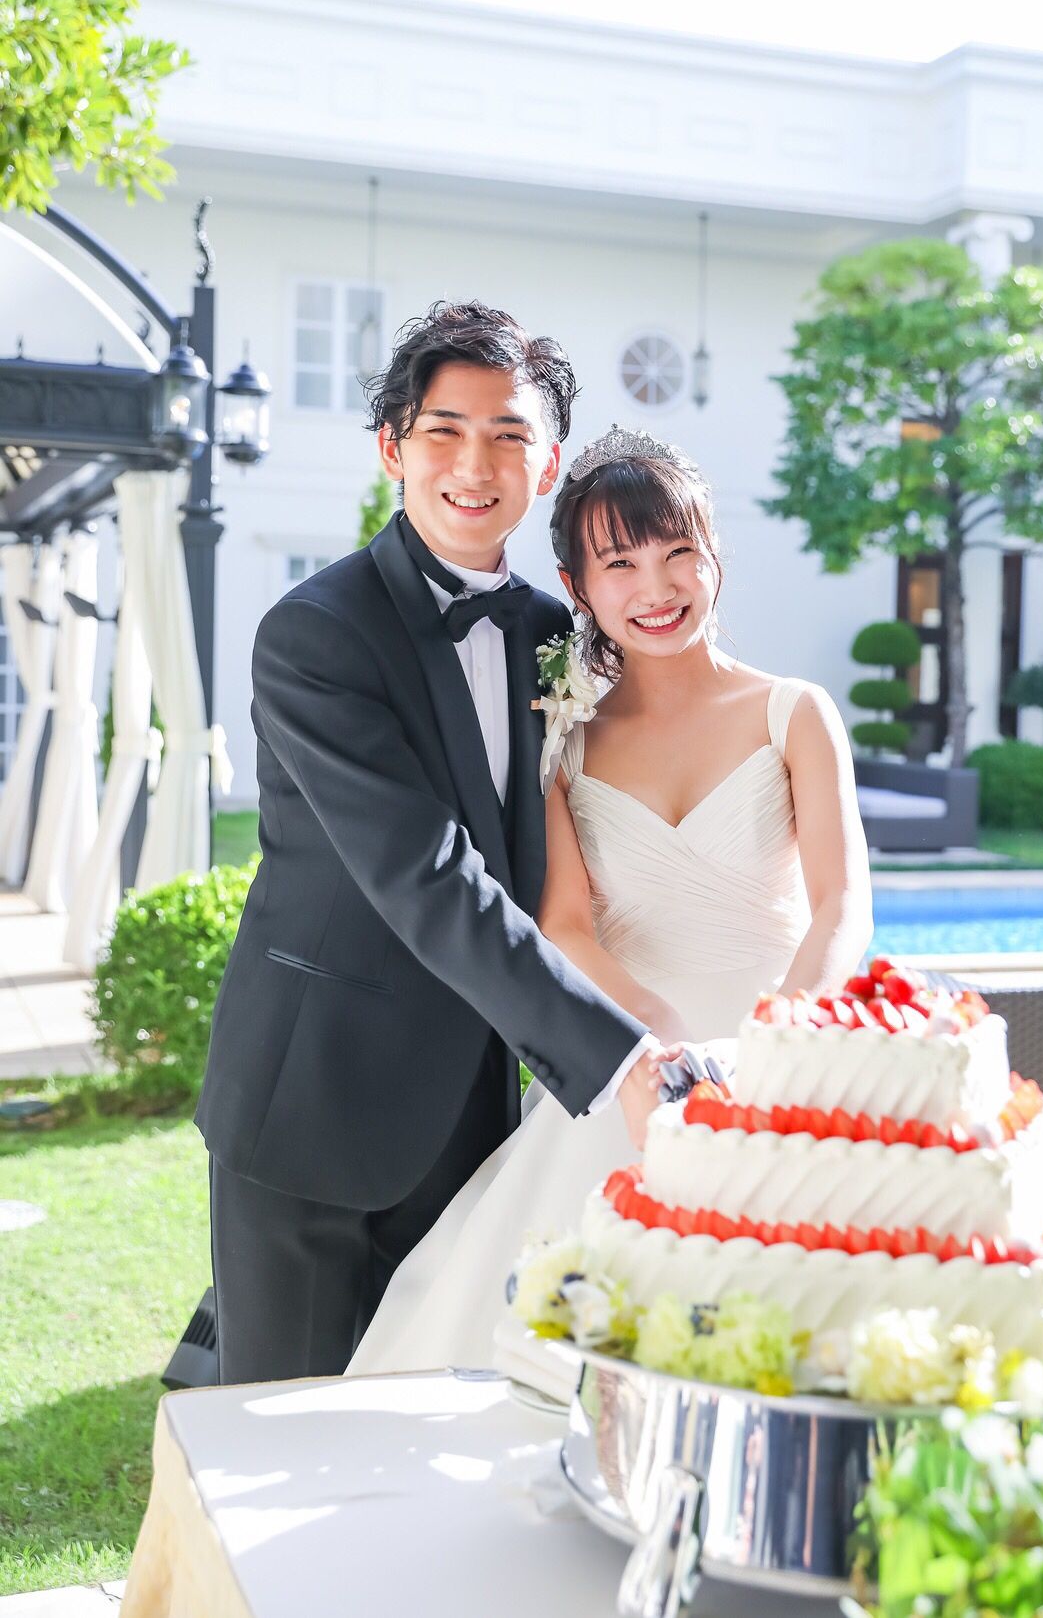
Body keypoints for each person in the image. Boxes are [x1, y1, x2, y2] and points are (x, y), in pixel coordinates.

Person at [195, 304, 673, 1385]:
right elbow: (426, 875)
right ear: (391, 448)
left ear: (545, 462)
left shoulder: (553, 636)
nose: (474, 464)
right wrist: (618, 1057)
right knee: (285, 1429)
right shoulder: (314, 633)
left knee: (426, 1424)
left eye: (508, 435)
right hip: (314, 1105)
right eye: (444, 431)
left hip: (472, 1117)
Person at [348, 426, 873, 1378]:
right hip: (637, 1058)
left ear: (714, 556)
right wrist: (657, 1042)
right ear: (577, 585)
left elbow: (842, 904)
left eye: (678, 553)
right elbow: (564, 925)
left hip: (788, 1055)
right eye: (620, 563)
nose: (656, 587)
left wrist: (776, 1049)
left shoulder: (794, 712)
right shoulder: (566, 742)